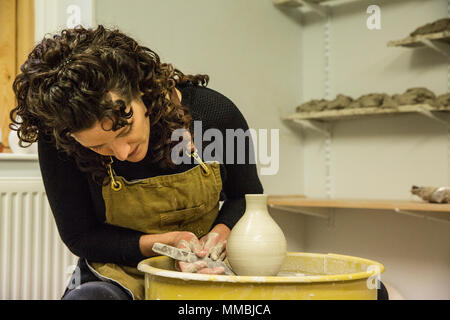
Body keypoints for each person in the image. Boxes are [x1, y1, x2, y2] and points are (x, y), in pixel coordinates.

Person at [11, 24, 264, 300]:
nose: (121, 152)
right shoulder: (60, 138)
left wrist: (217, 237)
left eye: (124, 130)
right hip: (116, 273)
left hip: (204, 268)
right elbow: (81, 236)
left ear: (141, 91)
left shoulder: (215, 115)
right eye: (98, 146)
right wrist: (166, 242)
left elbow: (246, 198)